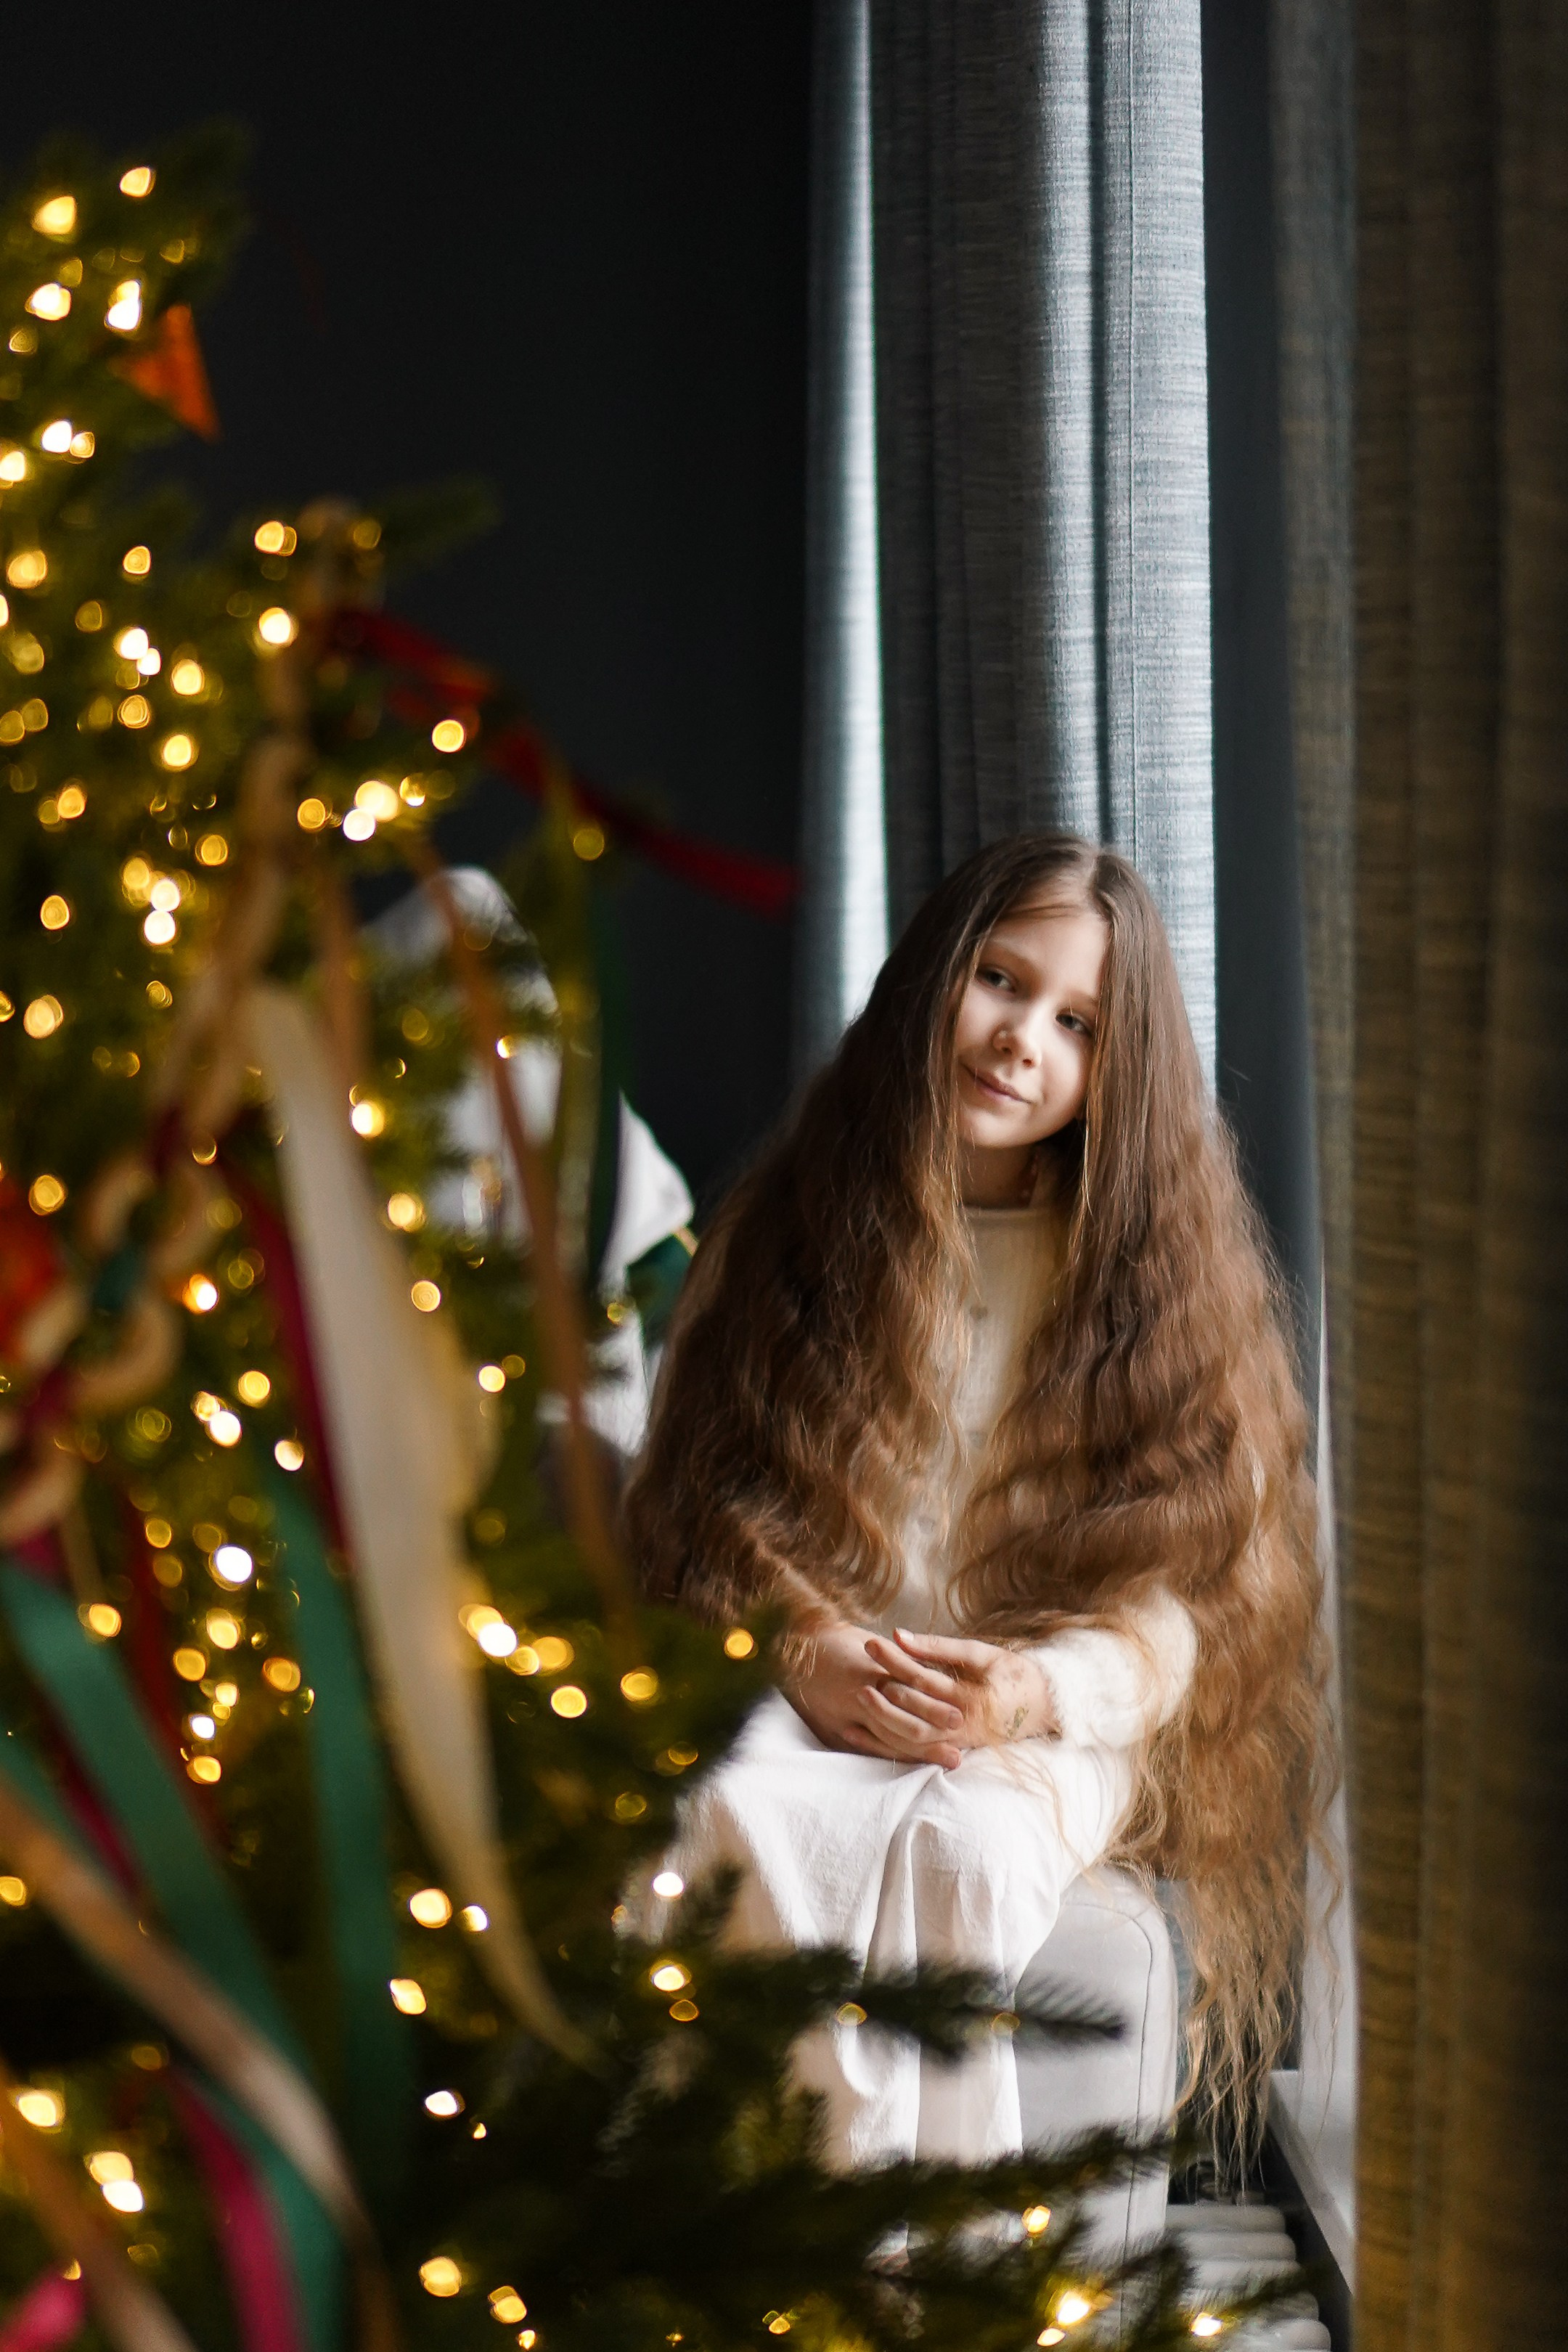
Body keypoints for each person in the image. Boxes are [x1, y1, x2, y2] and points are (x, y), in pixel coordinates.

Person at [624, 834, 1327, 2173]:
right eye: (1001, 981)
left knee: (966, 1851)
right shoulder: (797, 1228)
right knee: (722, 1807)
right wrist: (805, 1649)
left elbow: (1190, 1613)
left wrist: (1029, 1695)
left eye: (1078, 1023)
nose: (1023, 1041)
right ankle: (737, 2225)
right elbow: (717, 1503)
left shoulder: (1150, 1284)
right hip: (828, 1675)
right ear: (930, 978)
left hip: (1041, 1718)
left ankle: (935, 2253)